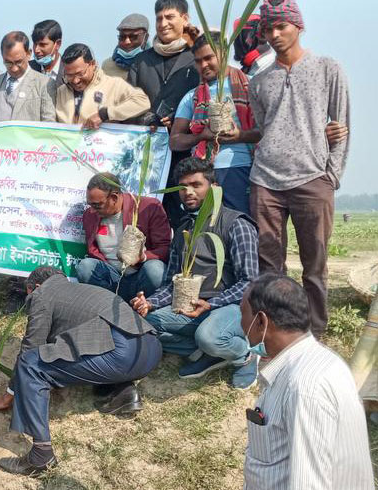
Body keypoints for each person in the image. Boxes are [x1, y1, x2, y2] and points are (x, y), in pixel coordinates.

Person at [0, 267, 162, 476]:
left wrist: (10, 394)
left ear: (34, 287)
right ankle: (123, 392)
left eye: (29, 294)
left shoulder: (42, 294)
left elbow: (31, 348)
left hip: (120, 355)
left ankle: (41, 456)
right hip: (151, 349)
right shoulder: (83, 290)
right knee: (91, 346)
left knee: (30, 364)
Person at [249, 0, 350, 338]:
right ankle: (277, 333)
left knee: (315, 265)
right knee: (270, 267)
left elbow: (342, 124)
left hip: (312, 179)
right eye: (269, 29)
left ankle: (315, 333)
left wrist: (331, 175)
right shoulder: (259, 82)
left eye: (281, 27)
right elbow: (266, 128)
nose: (275, 34)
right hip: (265, 181)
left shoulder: (327, 68)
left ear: (298, 26)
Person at [133, 157, 259, 388]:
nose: (188, 192)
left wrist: (212, 303)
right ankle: (211, 352)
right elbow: (171, 284)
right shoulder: (183, 229)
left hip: (232, 307)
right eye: (182, 187)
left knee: (209, 336)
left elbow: (249, 282)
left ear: (214, 188)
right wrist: (149, 303)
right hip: (193, 308)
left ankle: (244, 356)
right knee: (145, 324)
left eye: (196, 185)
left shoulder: (236, 224)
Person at [241, 273, 374, 489]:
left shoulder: (304, 388)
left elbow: (309, 483)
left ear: (261, 322)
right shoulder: (318, 362)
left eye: (242, 314)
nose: (240, 324)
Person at [170, 32, 260, 214]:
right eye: (198, 61)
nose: (203, 65)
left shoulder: (251, 86)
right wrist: (201, 136)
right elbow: (175, 141)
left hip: (239, 168)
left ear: (224, 54)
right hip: (202, 174)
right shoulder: (192, 97)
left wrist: (240, 136)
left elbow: (266, 131)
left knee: (239, 224)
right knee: (205, 231)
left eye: (208, 58)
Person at [129, 0, 200, 226]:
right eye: (159, 18)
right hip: (146, 157)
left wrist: (182, 123)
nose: (163, 23)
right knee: (144, 216)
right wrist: (148, 118)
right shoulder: (141, 61)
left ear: (185, 19)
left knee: (182, 219)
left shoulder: (196, 59)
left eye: (170, 17)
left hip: (185, 156)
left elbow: (206, 101)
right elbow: (127, 103)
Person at [76, 172, 170, 301]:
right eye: (90, 204)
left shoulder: (148, 207)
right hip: (111, 278)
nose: (92, 210)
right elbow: (93, 251)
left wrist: (142, 257)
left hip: (140, 276)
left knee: (155, 270)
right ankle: (106, 309)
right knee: (85, 267)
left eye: (97, 205)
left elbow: (164, 249)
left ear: (114, 198)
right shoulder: (90, 215)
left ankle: (145, 308)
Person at [55, 43, 150, 128]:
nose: (76, 81)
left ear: (92, 64)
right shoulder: (60, 92)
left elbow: (142, 102)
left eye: (80, 74)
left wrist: (105, 114)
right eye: (70, 75)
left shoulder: (113, 85)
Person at [0, 31, 56, 125]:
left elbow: (49, 125)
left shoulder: (45, 84)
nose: (14, 68)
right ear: (2, 56)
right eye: (8, 63)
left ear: (28, 54)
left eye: (18, 62)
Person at [101, 13, 151, 80]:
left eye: (133, 37)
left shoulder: (155, 65)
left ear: (146, 38)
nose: (127, 41)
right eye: (122, 37)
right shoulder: (107, 66)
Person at [29, 20, 64, 87]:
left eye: (42, 45)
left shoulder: (70, 72)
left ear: (57, 44)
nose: (36, 50)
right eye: (35, 44)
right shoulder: (26, 70)